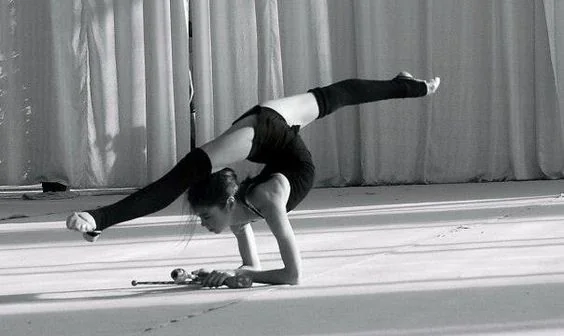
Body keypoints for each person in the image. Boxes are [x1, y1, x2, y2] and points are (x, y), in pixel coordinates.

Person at [66, 72, 440, 287]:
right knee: (335, 96)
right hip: (272, 139)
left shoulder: (267, 200)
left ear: (227, 204)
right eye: (202, 219)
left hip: (266, 132)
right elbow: (253, 268)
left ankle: (100, 218)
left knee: (177, 178)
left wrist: (236, 275)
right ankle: (404, 84)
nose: (204, 224)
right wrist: (226, 275)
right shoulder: (239, 209)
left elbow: (292, 276)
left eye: (206, 217)